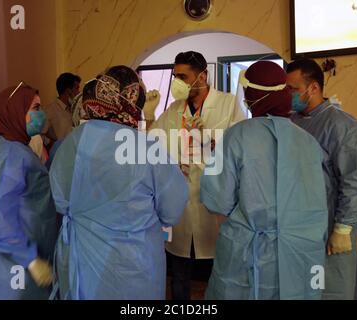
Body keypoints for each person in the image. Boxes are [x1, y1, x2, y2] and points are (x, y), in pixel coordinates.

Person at [49, 65, 188, 300]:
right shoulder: (146, 149)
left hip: (80, 260)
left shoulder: (68, 144)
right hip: (131, 267)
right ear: (134, 101)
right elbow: (172, 211)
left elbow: (61, 201)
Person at [200, 61, 329, 299]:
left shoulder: (236, 136)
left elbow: (217, 199)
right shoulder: (308, 142)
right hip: (300, 248)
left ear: (253, 95)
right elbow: (318, 200)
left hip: (248, 250)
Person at [144, 51, 246, 300]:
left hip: (214, 203)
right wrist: (148, 115)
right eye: (175, 76)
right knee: (179, 272)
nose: (177, 82)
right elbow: (152, 146)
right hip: (180, 202)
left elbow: (242, 149)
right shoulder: (173, 108)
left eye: (183, 76)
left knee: (219, 273)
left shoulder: (228, 104)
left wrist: (212, 139)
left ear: (203, 76)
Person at [286, 59, 357, 300]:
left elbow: (355, 181)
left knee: (333, 289)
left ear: (313, 88)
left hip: (330, 224)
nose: (288, 94)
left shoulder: (342, 125)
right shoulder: (291, 122)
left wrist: (343, 227)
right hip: (299, 224)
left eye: (292, 89)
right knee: (305, 289)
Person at [0, 83, 57, 299]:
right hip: (15, 265)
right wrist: (30, 260)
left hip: (19, 257)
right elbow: (0, 217)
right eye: (35, 108)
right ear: (15, 112)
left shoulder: (15, 149)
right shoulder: (10, 156)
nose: (41, 114)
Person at [42, 72, 81, 146]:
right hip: (61, 155)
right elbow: (39, 135)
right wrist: (53, 144)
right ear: (68, 91)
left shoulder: (76, 109)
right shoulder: (49, 110)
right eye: (77, 88)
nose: (79, 92)